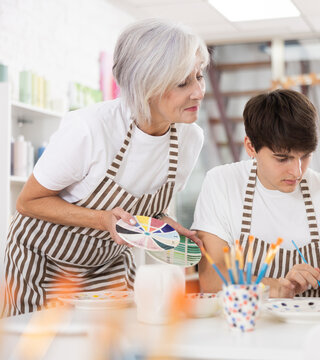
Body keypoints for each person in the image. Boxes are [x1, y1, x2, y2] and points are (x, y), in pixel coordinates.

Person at [2, 19, 208, 317]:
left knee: (111, 345)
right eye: (183, 83)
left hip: (107, 264)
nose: (199, 92)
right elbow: (27, 201)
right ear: (146, 84)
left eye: (199, 77)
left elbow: (145, 210)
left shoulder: (189, 139)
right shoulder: (89, 128)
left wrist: (163, 226)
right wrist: (102, 219)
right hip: (41, 261)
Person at [192, 89, 320, 299]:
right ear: (251, 147)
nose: (296, 172)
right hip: (248, 326)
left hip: (316, 326)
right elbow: (212, 279)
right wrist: (273, 286)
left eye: (305, 156)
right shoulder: (222, 184)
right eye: (282, 158)